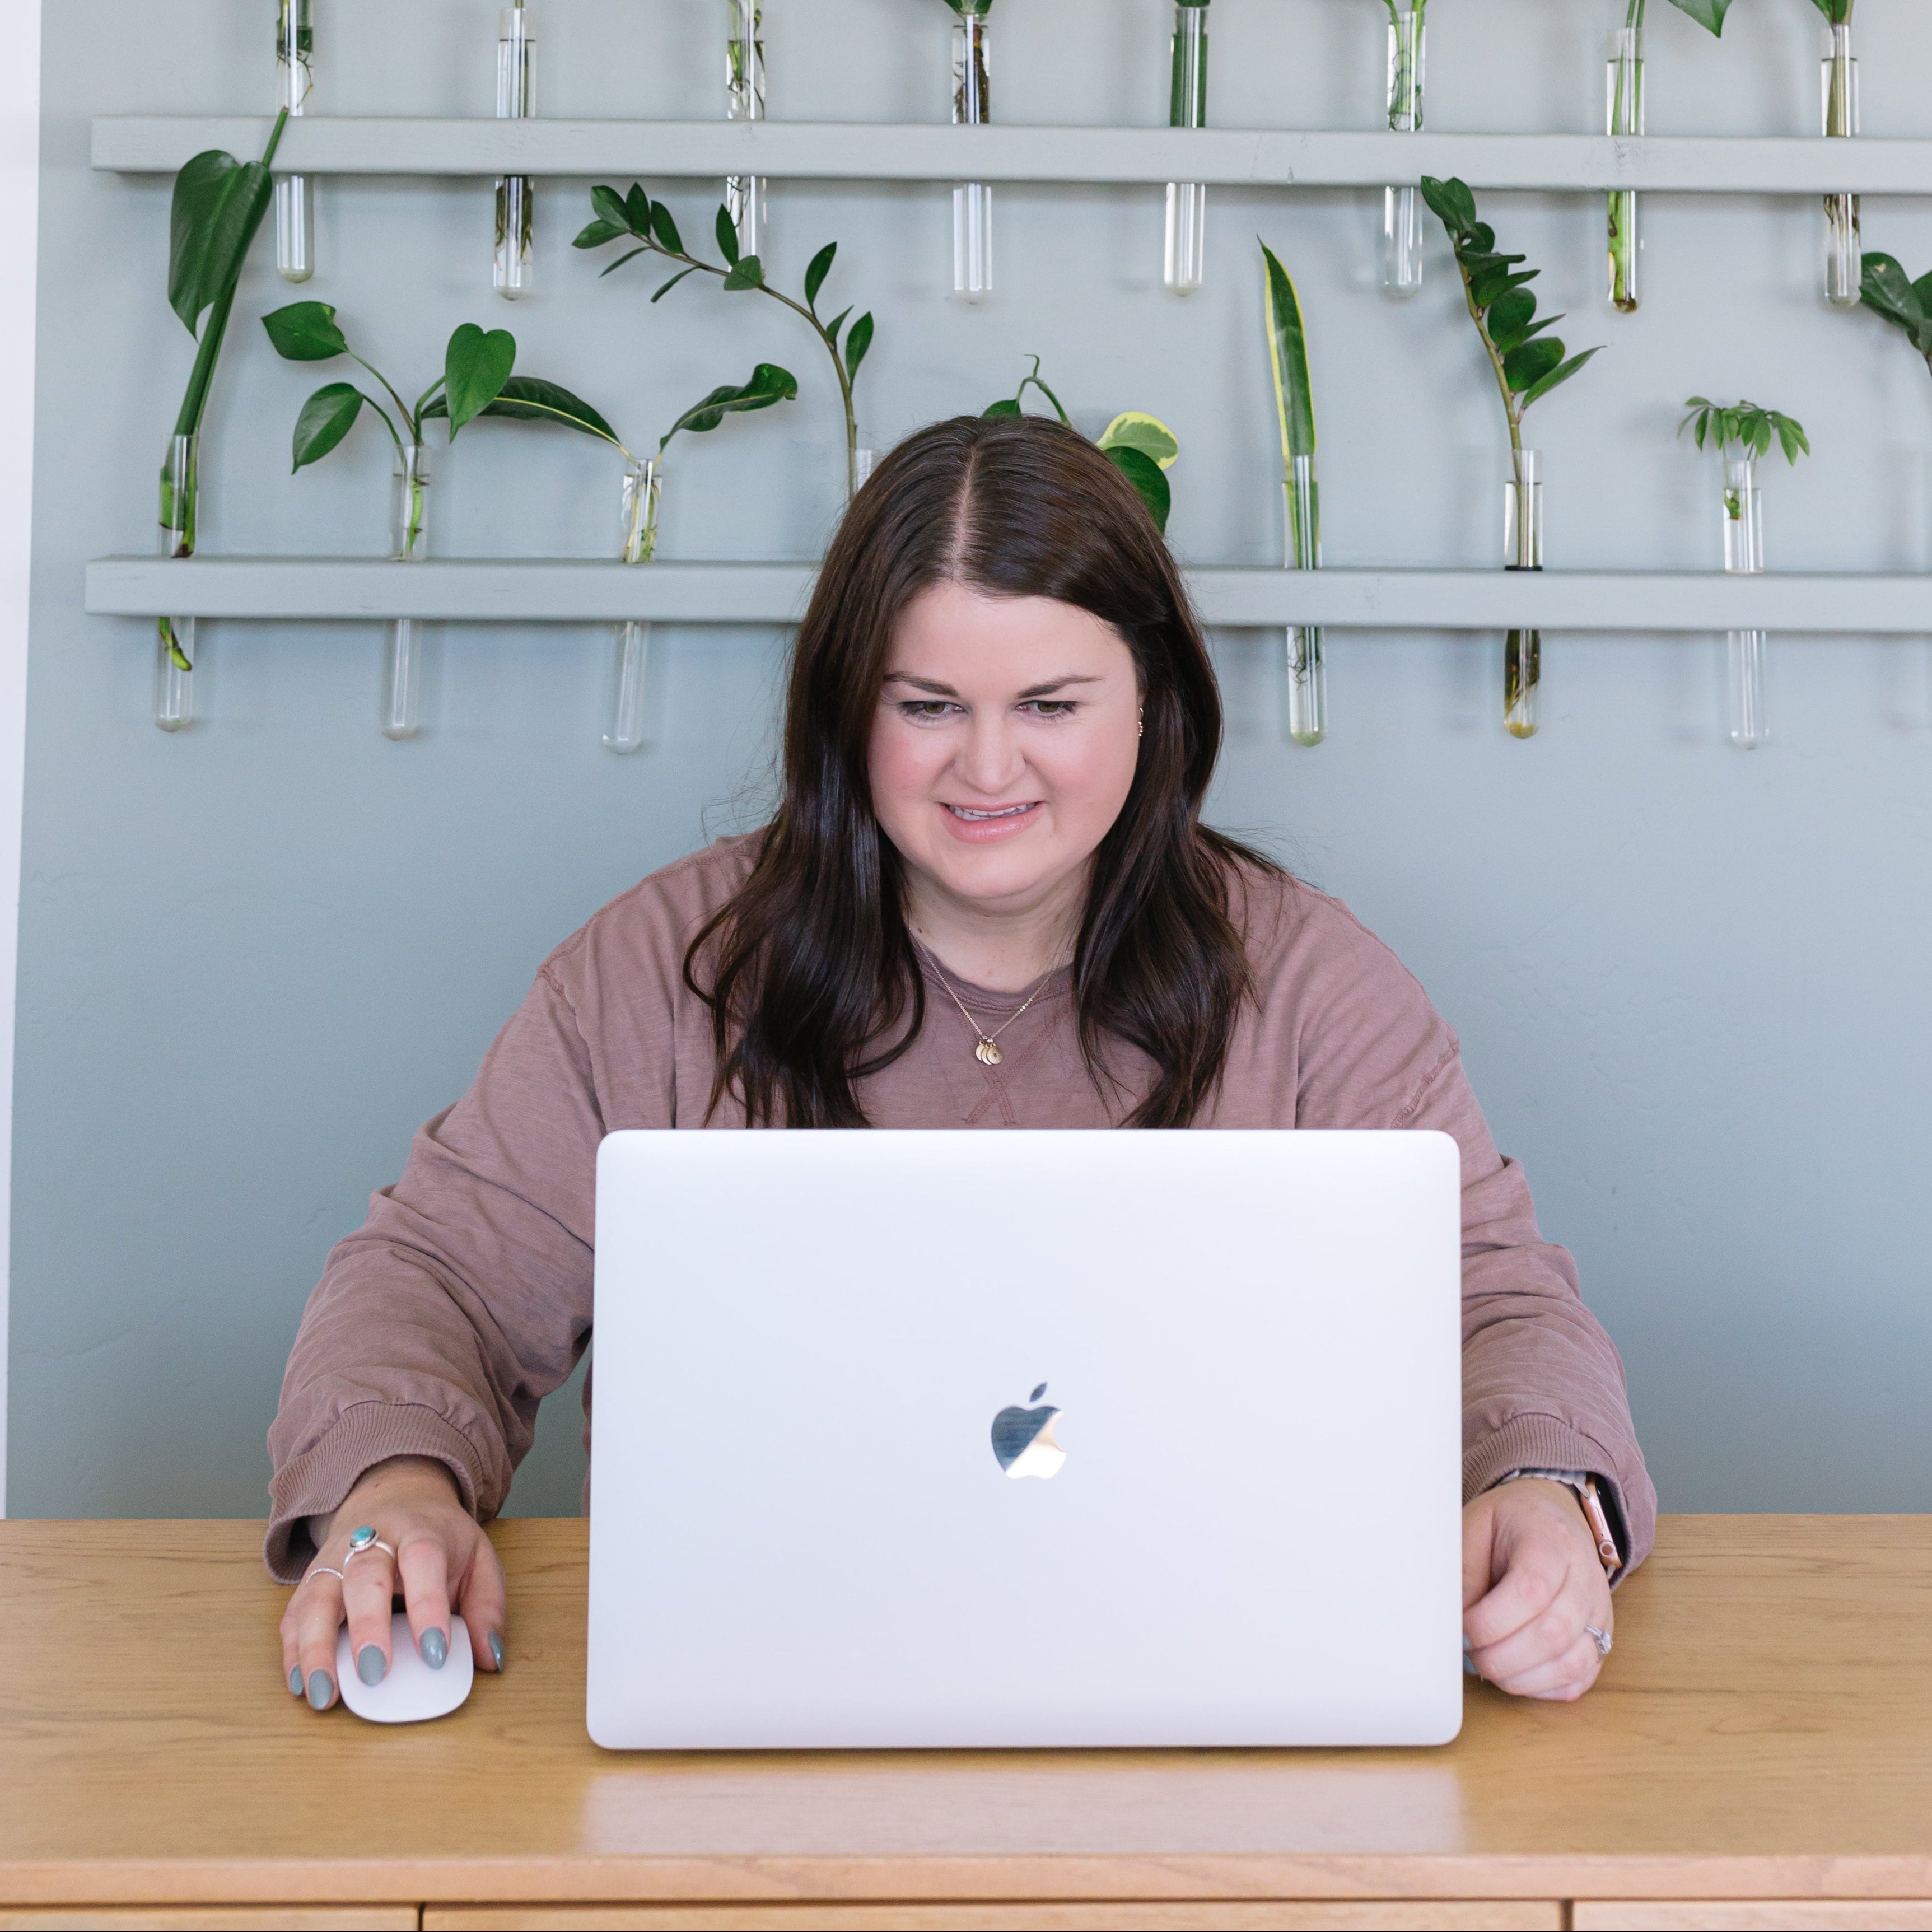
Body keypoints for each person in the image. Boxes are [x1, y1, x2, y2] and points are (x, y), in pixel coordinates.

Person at [268, 414, 1655, 1715]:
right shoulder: (655, 969)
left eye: (1051, 704)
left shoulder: (1309, 979)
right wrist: (399, 1483)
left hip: (1214, 1695)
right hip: (760, 1700)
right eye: (927, 705)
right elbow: (435, 1273)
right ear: (845, 710)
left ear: (1153, 705)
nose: (989, 769)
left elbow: (1494, 1300)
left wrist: (1542, 1490)